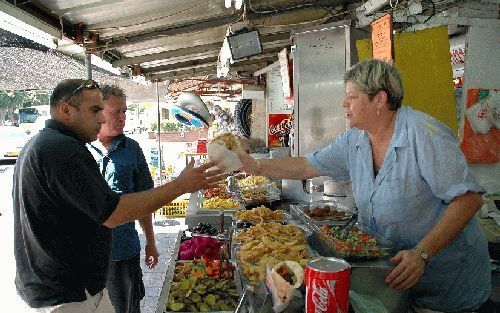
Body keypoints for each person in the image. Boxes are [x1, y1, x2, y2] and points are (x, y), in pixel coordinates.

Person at [237, 60, 492, 312]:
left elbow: (468, 199)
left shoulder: (424, 134)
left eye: (352, 96)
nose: (344, 103)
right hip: (394, 279)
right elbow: (307, 165)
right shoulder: (355, 140)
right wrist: (255, 167)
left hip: (447, 283)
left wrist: (423, 253)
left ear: (379, 100)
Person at [12, 79, 223, 313]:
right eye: (95, 111)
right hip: (69, 293)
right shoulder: (63, 150)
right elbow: (112, 213)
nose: (102, 119)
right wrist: (180, 186)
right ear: (66, 110)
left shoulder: (39, 144)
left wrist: (150, 242)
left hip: (60, 284)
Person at [87, 85, 157, 313]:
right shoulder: (79, 149)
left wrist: (151, 242)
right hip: (85, 255)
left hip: (123, 251)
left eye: (124, 111)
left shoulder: (133, 150)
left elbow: (144, 201)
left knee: (126, 308)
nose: (122, 117)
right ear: (99, 112)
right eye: (115, 112)